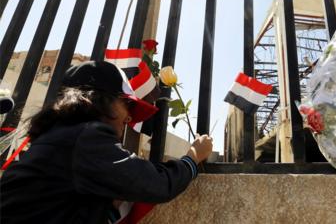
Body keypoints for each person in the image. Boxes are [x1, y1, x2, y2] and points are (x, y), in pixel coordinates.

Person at [0, 61, 213, 223]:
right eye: (127, 105)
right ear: (99, 100)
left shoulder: (58, 137)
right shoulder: (86, 137)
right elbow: (156, 184)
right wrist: (192, 158)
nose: (129, 118)